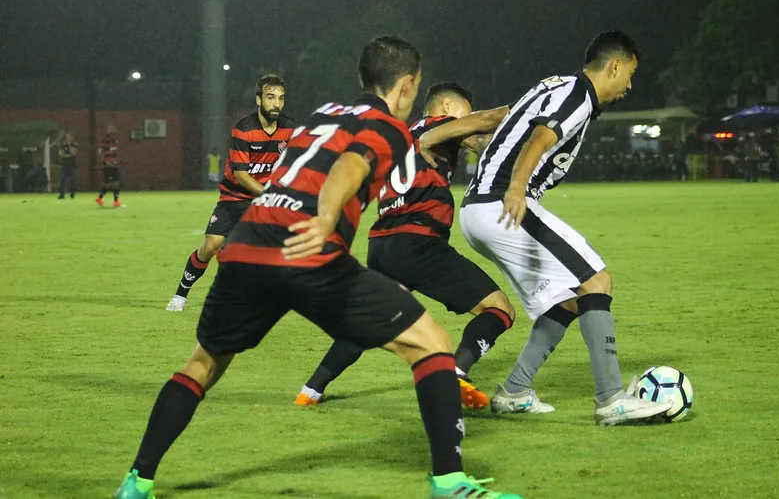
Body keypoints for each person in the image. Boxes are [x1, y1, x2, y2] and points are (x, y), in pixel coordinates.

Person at [115, 36, 521, 499]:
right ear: (408, 86)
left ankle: (137, 480)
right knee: (432, 344)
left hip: (249, 243)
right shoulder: (388, 126)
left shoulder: (323, 114)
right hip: (310, 248)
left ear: (362, 79)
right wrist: (327, 213)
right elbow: (352, 163)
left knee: (203, 364)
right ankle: (449, 482)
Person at [457, 30, 672, 425]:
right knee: (597, 281)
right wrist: (518, 188)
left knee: (568, 299)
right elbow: (541, 136)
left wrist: (484, 143)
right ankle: (611, 400)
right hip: (502, 204)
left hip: (479, 209)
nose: (630, 85)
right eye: (631, 74)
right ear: (615, 66)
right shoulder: (578, 94)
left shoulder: (556, 85)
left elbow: (516, 127)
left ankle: (515, 392)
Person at [294, 83, 523, 411]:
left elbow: (479, 139)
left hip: (384, 245)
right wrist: (530, 107)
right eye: (464, 111)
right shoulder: (434, 128)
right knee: (499, 309)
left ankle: (311, 389)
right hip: (418, 244)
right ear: (446, 106)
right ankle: (456, 371)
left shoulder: (401, 135)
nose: (467, 119)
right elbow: (481, 122)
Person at [165, 74, 295, 312]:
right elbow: (241, 176)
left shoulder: (290, 129)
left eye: (281, 98)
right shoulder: (244, 129)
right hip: (234, 197)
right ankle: (181, 294)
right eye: (270, 97)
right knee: (211, 246)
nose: (276, 103)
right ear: (258, 100)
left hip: (264, 201)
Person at [96, 125, 121, 207]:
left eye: (113, 129)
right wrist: (106, 162)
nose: (112, 131)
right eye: (110, 130)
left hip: (114, 165)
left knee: (116, 183)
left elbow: (115, 153)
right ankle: (99, 198)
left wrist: (116, 161)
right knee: (109, 184)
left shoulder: (115, 141)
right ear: (107, 131)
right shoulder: (104, 141)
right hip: (107, 166)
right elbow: (100, 153)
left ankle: (116, 201)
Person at [54, 131, 79, 199]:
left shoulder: (75, 145)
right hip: (64, 165)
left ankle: (72, 193)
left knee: (73, 180)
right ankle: (62, 194)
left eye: (70, 137)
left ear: (73, 138)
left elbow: (73, 153)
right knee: (62, 180)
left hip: (72, 165)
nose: (69, 138)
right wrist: (68, 155)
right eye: (67, 137)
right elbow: (60, 154)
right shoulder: (62, 145)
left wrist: (69, 146)